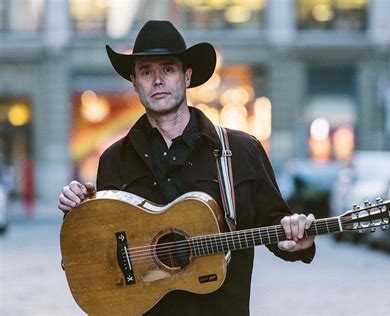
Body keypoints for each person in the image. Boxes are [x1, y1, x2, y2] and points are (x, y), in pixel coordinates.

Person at [58, 20, 315, 316]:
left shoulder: (241, 150)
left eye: (168, 69)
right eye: (146, 71)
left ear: (187, 77)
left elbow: (277, 225)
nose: (157, 80)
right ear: (135, 82)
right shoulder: (115, 159)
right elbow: (98, 250)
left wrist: (300, 241)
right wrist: (80, 212)